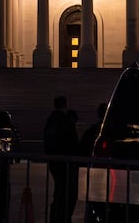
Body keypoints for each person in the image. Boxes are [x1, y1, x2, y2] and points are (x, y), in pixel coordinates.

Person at [43, 95, 79, 223]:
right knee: (66, 192)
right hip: (65, 161)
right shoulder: (65, 121)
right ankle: (62, 217)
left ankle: (56, 216)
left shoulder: (51, 120)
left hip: (54, 160)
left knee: (59, 190)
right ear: (65, 104)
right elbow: (72, 142)